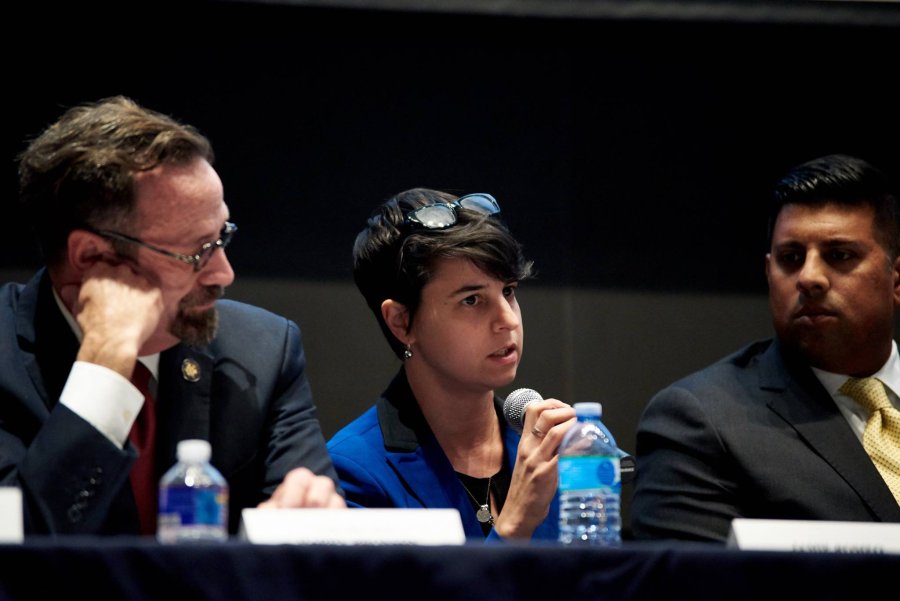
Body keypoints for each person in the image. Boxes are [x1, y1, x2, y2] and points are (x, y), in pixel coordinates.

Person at [2, 96, 344, 536]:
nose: (224, 273)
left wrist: (307, 521)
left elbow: (310, 554)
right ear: (90, 255)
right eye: (195, 252)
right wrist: (105, 367)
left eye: (222, 236)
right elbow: (20, 554)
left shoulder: (263, 351)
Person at [326, 187, 623, 541]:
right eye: (472, 300)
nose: (507, 320)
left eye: (509, 291)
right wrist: (512, 526)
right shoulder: (352, 472)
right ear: (401, 322)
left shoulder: (556, 454)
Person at [631, 153, 900, 542]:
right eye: (791, 258)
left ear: (895, 280)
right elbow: (689, 587)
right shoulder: (699, 422)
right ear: (769, 272)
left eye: (839, 256)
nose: (809, 277)